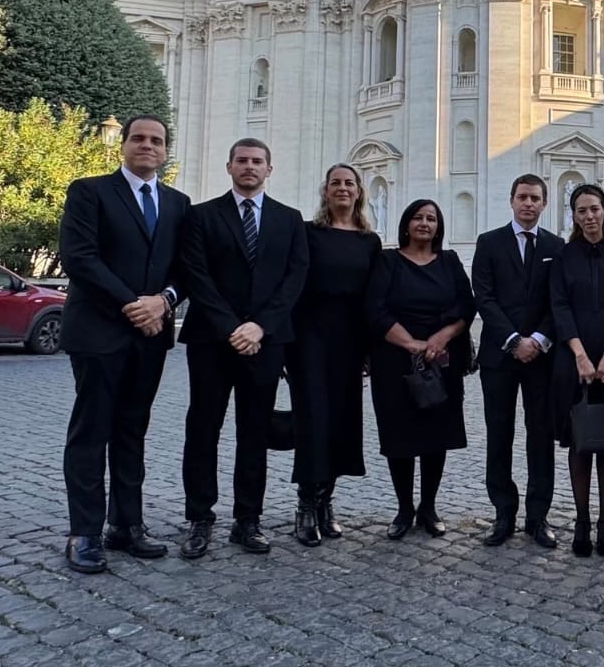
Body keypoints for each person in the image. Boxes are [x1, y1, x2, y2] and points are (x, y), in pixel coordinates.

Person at [58, 114, 190, 574]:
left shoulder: (177, 203)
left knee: (133, 431)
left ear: (166, 149)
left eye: (156, 140)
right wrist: (133, 304)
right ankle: (85, 533)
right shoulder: (89, 191)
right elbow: (79, 258)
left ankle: (127, 526)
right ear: (124, 146)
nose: (147, 146)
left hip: (151, 335)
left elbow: (183, 268)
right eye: (139, 139)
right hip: (99, 331)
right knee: (92, 431)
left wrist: (165, 301)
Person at [178, 138, 309, 559]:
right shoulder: (201, 216)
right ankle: (200, 517)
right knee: (203, 428)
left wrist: (259, 326)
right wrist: (233, 327)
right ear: (229, 166)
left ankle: (247, 519)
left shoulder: (289, 220)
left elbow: (295, 279)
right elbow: (195, 276)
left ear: (269, 169)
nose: (249, 167)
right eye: (242, 161)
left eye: (257, 162)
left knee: (254, 432)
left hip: (266, 341)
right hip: (211, 340)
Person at [366, 199, 475, 540]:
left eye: (431, 218)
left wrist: (440, 337)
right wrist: (410, 343)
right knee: (400, 435)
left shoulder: (450, 261)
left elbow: (465, 305)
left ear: (439, 227)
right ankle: (403, 507)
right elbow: (374, 308)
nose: (424, 223)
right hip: (395, 359)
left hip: (440, 360)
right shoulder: (387, 260)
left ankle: (428, 506)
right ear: (406, 224)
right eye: (417, 217)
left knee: (434, 435)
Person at [288, 164, 381, 547]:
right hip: (310, 339)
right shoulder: (308, 234)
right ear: (325, 191)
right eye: (335, 183)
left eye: (349, 183)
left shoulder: (369, 241)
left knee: (343, 422)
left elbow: (373, 299)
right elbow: (293, 285)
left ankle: (327, 503)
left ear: (359, 192)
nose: (342, 189)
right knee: (312, 421)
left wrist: (371, 349)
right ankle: (306, 505)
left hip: (350, 341)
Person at [471, 174, 564, 549]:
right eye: (522, 197)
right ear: (511, 200)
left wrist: (539, 340)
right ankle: (503, 512)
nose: (528, 204)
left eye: (535, 198)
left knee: (541, 436)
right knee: (500, 435)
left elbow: (559, 300)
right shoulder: (489, 242)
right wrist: (513, 340)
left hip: (542, 358)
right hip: (500, 354)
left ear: (544, 204)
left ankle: (538, 516)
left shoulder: (557, 247)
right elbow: (484, 295)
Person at [549, 184, 604, 558]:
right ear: (573, 215)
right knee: (580, 440)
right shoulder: (562, 255)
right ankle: (582, 521)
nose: (589, 216)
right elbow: (559, 306)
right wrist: (581, 355)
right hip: (574, 360)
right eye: (581, 210)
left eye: (595, 209)